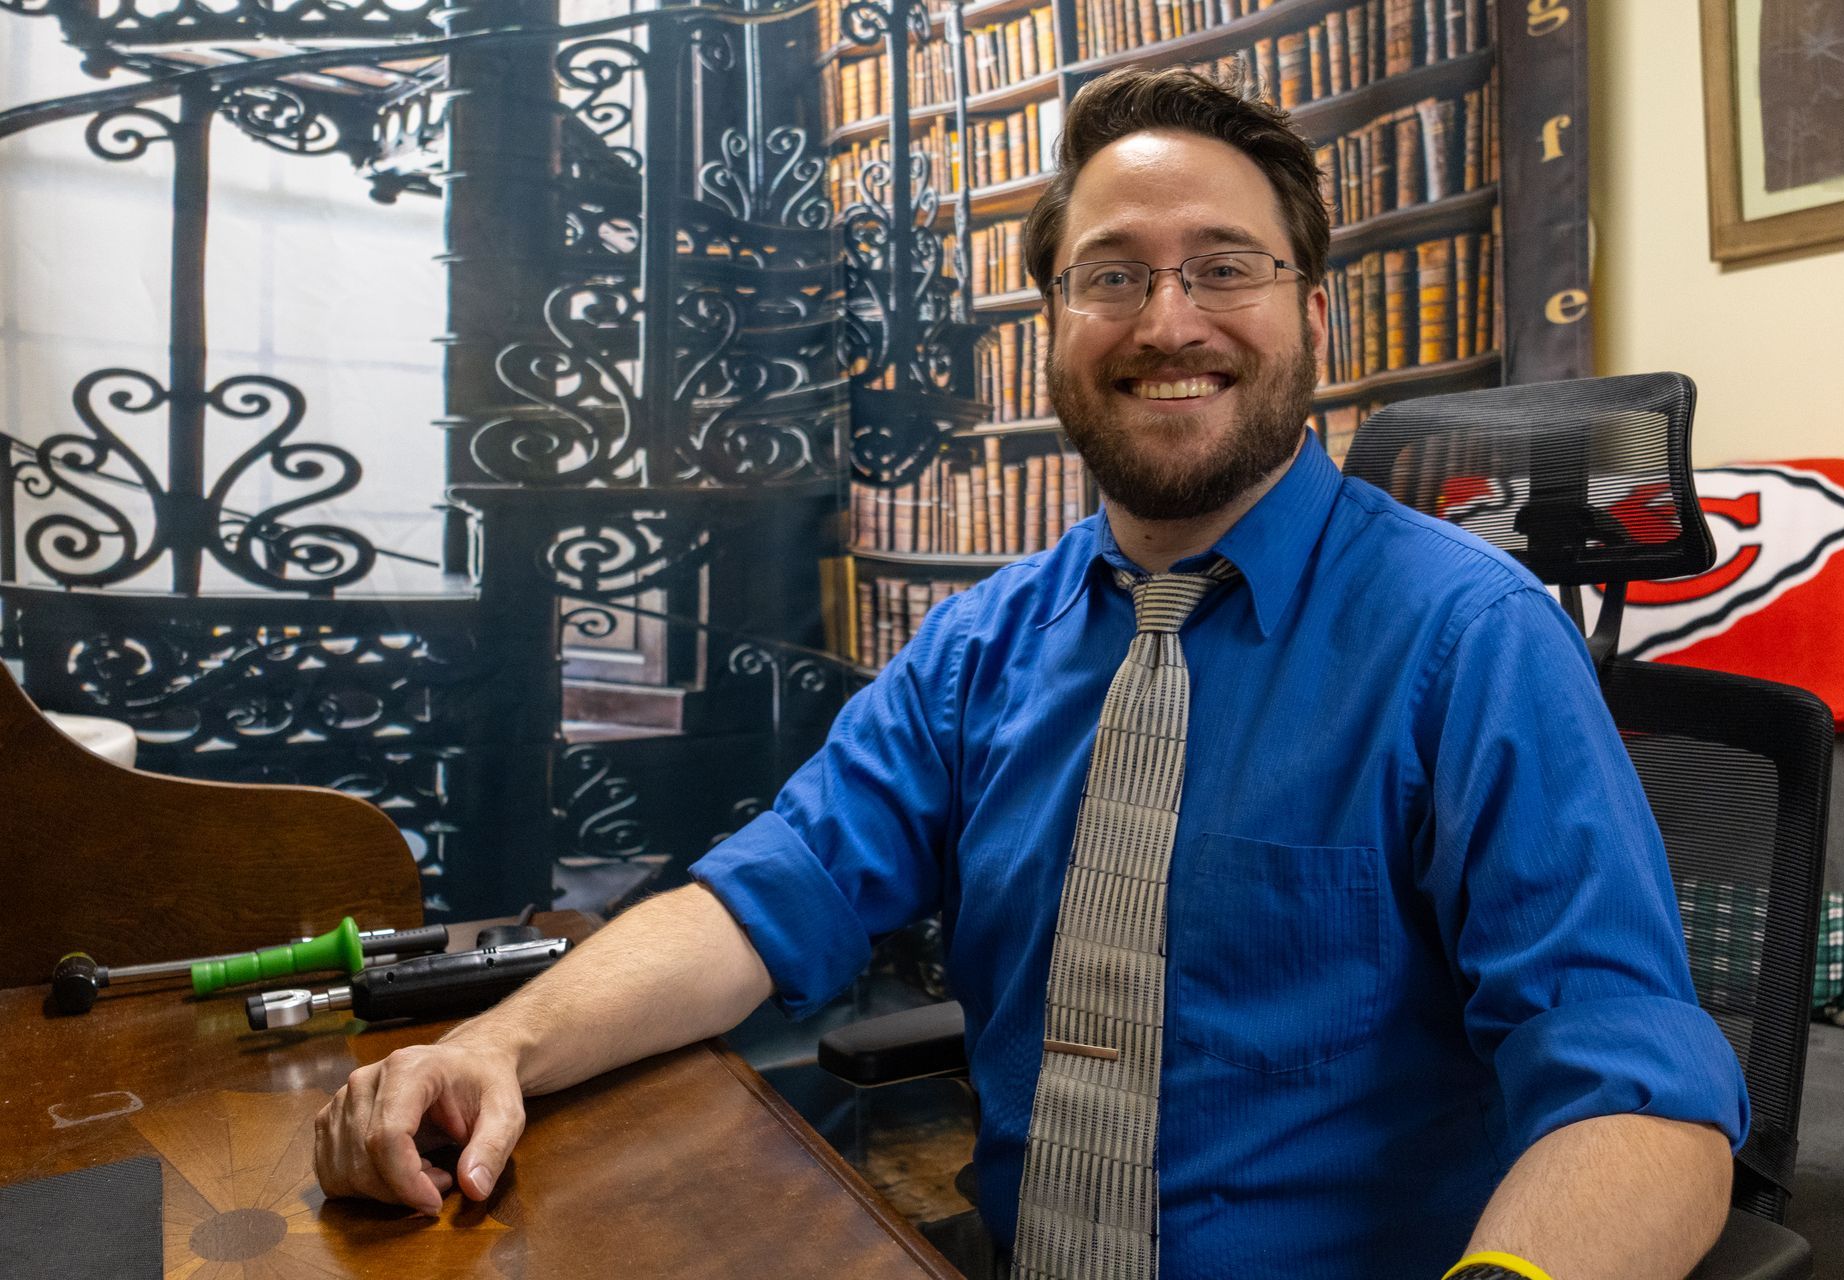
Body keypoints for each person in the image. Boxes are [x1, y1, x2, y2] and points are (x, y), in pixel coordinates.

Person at [315, 67, 1748, 1280]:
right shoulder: (979, 647)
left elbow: (1637, 1088)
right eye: (1111, 275)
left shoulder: (1470, 639)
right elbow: (772, 896)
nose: (1168, 320)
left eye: (1225, 267)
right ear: (1053, 329)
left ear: (1316, 313)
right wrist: (497, 1045)